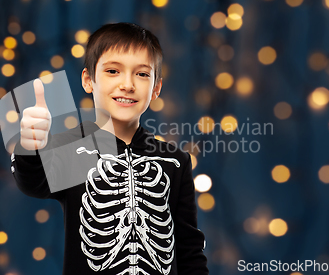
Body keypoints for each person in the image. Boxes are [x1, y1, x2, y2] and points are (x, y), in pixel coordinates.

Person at [11, 22, 209, 275]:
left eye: (142, 74)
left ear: (156, 88)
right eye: (113, 71)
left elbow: (189, 248)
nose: (127, 84)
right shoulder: (71, 149)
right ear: (88, 80)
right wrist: (30, 145)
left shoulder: (174, 160)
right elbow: (31, 180)